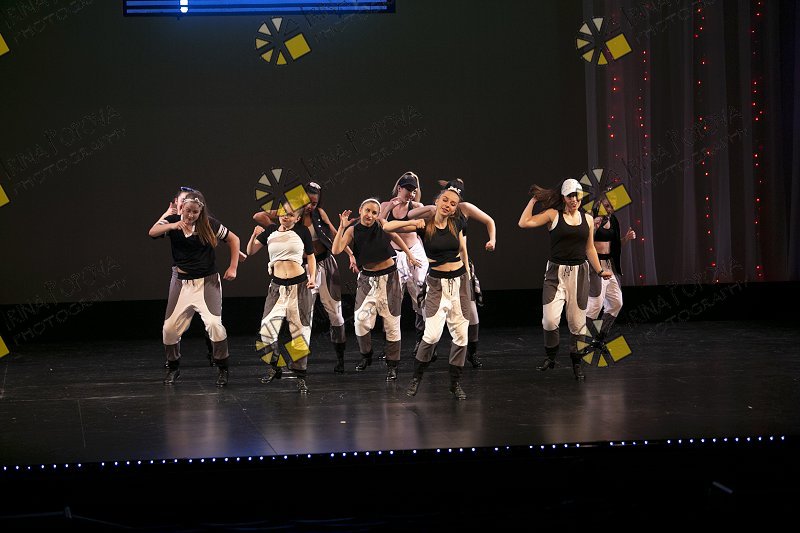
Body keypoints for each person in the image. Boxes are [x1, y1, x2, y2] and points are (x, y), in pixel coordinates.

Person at [383, 181, 473, 400]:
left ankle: (455, 383)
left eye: (453, 203)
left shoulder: (458, 222)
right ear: (437, 201)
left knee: (461, 336)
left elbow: (463, 249)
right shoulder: (425, 225)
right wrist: (413, 222)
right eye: (445, 200)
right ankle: (416, 378)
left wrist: (469, 276)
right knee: (431, 335)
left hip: (459, 283)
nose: (448, 205)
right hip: (436, 285)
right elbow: (387, 227)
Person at [254, 182, 354, 374]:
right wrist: (276, 227)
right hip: (302, 269)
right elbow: (259, 216)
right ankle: (296, 363)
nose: (310, 206)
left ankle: (340, 358)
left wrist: (350, 254)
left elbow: (334, 233)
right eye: (307, 201)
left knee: (335, 313)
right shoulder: (291, 216)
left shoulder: (320, 214)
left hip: (325, 265)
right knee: (303, 319)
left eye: (314, 203)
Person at [517, 178, 612, 381]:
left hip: (579, 274)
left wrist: (599, 270)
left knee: (578, 324)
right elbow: (524, 223)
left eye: (577, 196)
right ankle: (551, 356)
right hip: (555, 274)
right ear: (563, 197)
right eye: (570, 196)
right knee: (550, 320)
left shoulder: (587, 219)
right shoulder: (553, 215)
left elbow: (589, 248)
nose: (574, 200)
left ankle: (577, 363)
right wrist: (533, 201)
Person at [148, 190, 240, 386]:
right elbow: (153, 232)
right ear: (181, 208)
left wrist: (233, 267)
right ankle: (173, 367)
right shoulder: (173, 221)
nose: (190, 215)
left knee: (214, 325)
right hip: (182, 284)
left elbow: (234, 239)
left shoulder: (209, 224)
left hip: (207, 282)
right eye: (188, 210)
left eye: (195, 212)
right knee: (169, 329)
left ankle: (222, 367)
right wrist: (173, 224)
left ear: (201, 211)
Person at [405, 179, 496, 368]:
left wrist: (492, 240)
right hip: (437, 269)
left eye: (454, 199)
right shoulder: (435, 210)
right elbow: (409, 214)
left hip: (460, 268)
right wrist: (430, 209)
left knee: (471, 313)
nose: (449, 203)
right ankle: (427, 347)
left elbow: (489, 221)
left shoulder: (464, 208)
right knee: (429, 312)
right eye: (446, 198)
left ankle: (472, 353)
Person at [331, 198, 421, 380]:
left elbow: (395, 237)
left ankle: (392, 365)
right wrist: (341, 227)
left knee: (392, 323)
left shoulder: (382, 224)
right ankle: (367, 354)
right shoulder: (352, 230)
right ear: (360, 210)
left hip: (389, 279)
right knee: (360, 322)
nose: (370, 215)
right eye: (367, 211)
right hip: (367, 281)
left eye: (374, 212)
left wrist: (409, 255)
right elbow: (336, 250)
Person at [247, 204, 316, 393]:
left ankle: (300, 375)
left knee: (300, 333)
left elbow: (311, 257)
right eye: (283, 213)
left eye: (290, 215)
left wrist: (312, 277)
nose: (286, 217)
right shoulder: (270, 231)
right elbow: (251, 251)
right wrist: (254, 235)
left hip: (299, 287)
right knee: (266, 332)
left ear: (297, 218)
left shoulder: (302, 231)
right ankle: (275, 366)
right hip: (277, 288)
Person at [378, 172, 428, 356]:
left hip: (414, 251)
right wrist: (389, 207)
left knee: (420, 296)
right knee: (391, 299)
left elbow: (421, 225)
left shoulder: (416, 207)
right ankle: (389, 345)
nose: (411, 194)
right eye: (408, 190)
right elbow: (379, 225)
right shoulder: (386, 205)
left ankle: (421, 342)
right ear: (399, 188)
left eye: (414, 191)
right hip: (394, 255)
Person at [586, 194, 635, 346]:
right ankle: (579, 339)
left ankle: (599, 338)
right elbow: (585, 243)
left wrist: (626, 238)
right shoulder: (590, 217)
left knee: (616, 303)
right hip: (595, 266)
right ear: (599, 203)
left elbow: (614, 246)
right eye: (607, 205)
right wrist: (594, 228)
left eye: (612, 207)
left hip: (609, 265)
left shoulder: (613, 220)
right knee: (595, 306)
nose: (609, 209)